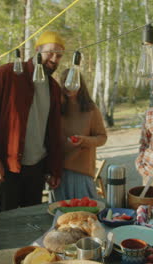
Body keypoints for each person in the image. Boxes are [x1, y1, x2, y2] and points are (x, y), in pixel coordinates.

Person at [0, 31, 64, 212]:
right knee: (4, 222)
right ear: (37, 50)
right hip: (6, 165)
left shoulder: (54, 88)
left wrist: (54, 168)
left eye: (59, 55)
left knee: (30, 221)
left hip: (36, 168)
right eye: (50, 52)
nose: (55, 59)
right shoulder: (8, 74)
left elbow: (54, 131)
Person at [54, 69, 107, 200]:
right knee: (61, 215)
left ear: (80, 84)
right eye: (65, 83)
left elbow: (102, 138)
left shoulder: (90, 109)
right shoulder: (56, 108)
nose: (69, 87)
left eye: (72, 82)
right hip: (59, 171)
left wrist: (83, 140)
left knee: (86, 213)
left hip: (82, 171)